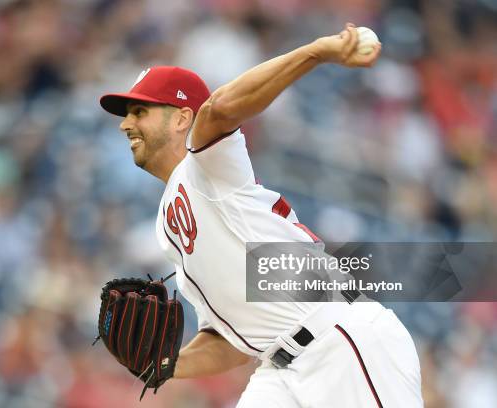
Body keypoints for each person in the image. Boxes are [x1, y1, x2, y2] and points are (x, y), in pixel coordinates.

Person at [99, 24, 422, 407]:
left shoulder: (208, 165)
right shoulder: (168, 223)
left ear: (183, 118)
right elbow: (230, 342)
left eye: (140, 111)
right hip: (278, 368)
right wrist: (167, 364)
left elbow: (219, 109)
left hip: (339, 340)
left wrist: (316, 51)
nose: (125, 123)